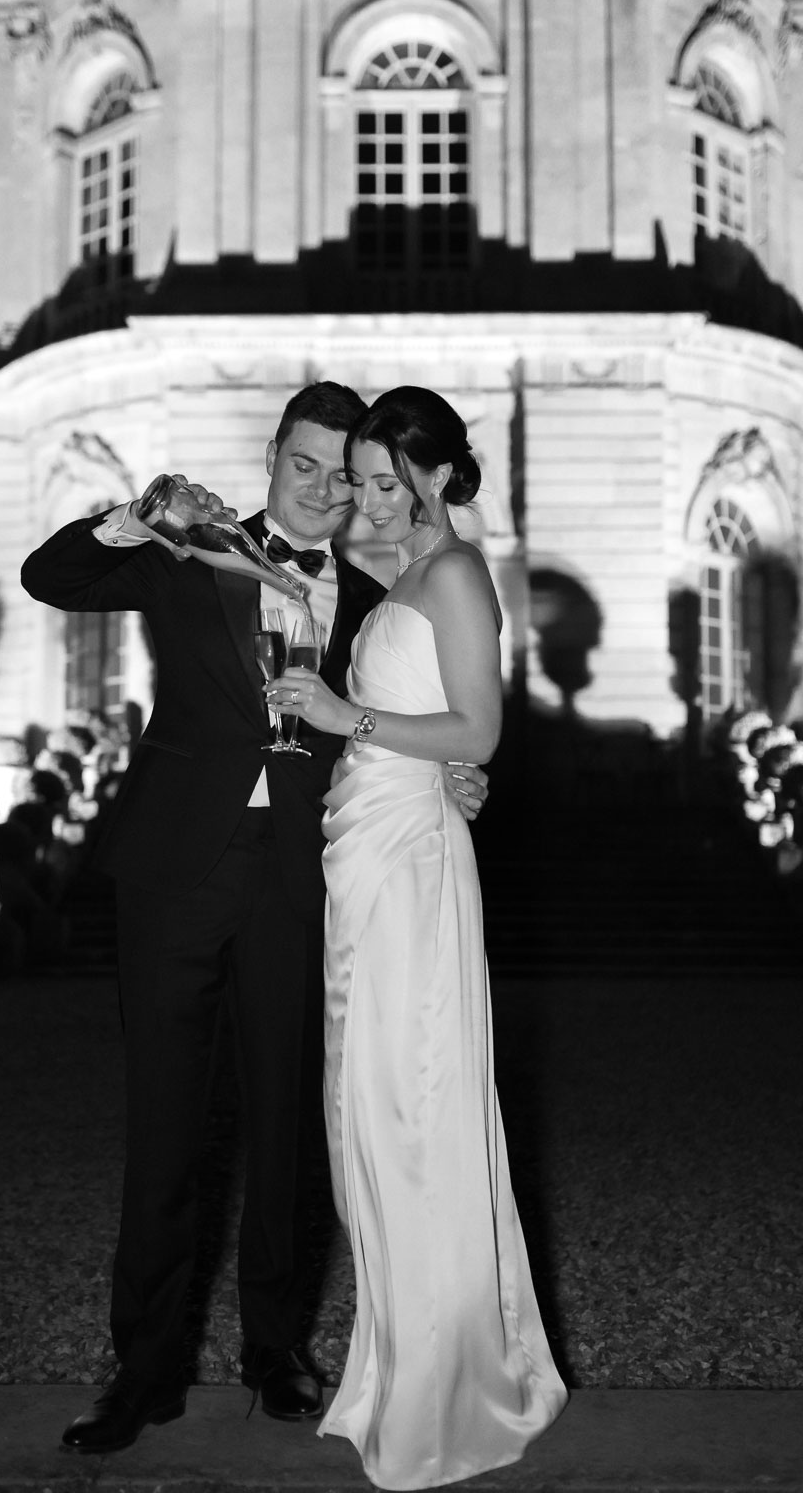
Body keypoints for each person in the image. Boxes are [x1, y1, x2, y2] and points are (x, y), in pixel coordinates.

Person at [20, 382, 489, 1455]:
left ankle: (275, 1352)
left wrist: (454, 775)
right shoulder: (195, 549)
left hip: (303, 877)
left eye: (344, 472)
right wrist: (136, 516)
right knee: (164, 1124)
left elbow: (415, 721)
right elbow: (53, 576)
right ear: (270, 456)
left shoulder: (378, 594)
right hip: (175, 872)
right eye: (306, 465)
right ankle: (141, 1371)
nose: (326, 490)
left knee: (285, 1126)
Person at [269, 386, 568, 1490]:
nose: (372, 502)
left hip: (408, 861)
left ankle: (448, 1382)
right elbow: (443, 728)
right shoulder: (403, 576)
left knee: (414, 1103)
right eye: (364, 481)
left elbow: (479, 727)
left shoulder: (452, 572)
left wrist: (343, 717)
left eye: (390, 482)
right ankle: (394, 1361)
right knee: (367, 1106)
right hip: (369, 848)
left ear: (439, 477)